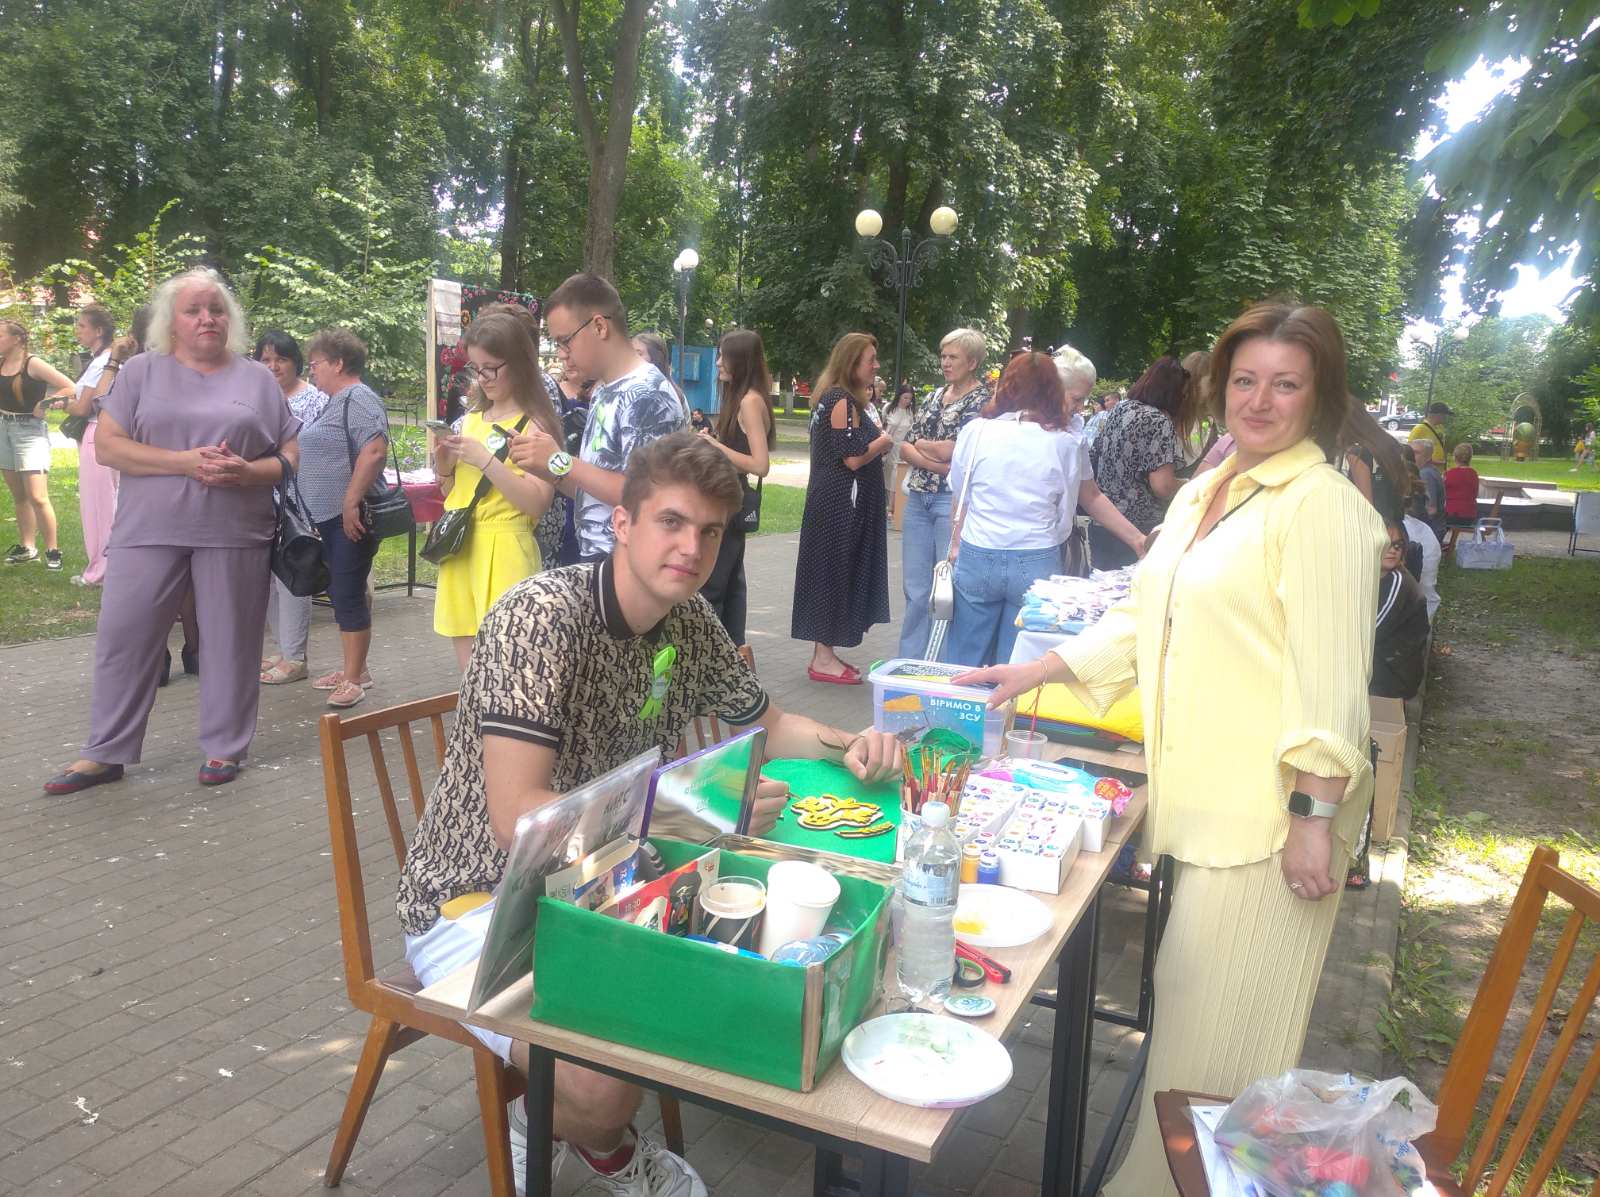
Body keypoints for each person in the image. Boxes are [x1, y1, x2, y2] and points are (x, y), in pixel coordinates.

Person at [397, 431, 903, 1197]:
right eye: (672, 521)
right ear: (623, 523)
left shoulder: (688, 619)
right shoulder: (541, 617)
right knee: (606, 1080)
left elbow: (768, 724)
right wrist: (693, 812)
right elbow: (516, 818)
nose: (691, 547)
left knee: (756, 954)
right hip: (478, 898)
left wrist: (850, 743)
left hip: (610, 880)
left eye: (710, 531)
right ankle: (586, 1136)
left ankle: (550, 1116)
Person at [955, 301, 1385, 1197]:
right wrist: (1035, 670)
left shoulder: (1324, 507)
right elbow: (1142, 616)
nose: (1259, 400)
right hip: (1209, 811)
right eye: (1245, 380)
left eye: (1286, 384)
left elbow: (1333, 682)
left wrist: (1314, 818)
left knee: (1215, 1072)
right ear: (1218, 387)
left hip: (1273, 829)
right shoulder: (1208, 489)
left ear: (1320, 396)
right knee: (1184, 1044)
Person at [43, 268, 301, 795]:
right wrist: (183, 462)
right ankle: (105, 751)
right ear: (172, 320)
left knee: (231, 641)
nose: (208, 318)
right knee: (125, 636)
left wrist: (249, 472)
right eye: (194, 310)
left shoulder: (256, 378)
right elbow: (108, 446)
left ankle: (226, 746)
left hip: (235, 529)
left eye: (217, 309)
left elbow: (290, 451)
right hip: (148, 527)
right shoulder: (141, 371)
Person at [944, 352, 1145, 668]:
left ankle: (959, 698)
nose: (1080, 406)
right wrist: (1138, 540)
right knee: (1020, 664)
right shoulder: (1066, 442)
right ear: (1054, 389)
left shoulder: (976, 431)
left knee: (964, 659)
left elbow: (961, 492)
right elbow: (1081, 500)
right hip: (1037, 553)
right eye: (1076, 398)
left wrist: (956, 542)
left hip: (979, 551)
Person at [510, 274, 686, 563]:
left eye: (565, 341)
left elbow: (648, 495)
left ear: (600, 326)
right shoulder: (605, 389)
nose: (561, 354)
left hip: (632, 564)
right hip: (600, 559)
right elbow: (593, 490)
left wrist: (561, 460)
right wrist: (547, 467)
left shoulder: (648, 394)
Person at [432, 313, 560, 669]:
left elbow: (537, 504)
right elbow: (453, 493)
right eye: (476, 368)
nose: (482, 379)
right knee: (470, 672)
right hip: (461, 549)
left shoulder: (535, 425)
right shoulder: (471, 420)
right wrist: (444, 465)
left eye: (490, 368)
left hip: (506, 549)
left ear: (518, 363)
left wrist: (487, 461)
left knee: (508, 668)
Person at [791, 332, 892, 683]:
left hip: (833, 503)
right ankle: (822, 658)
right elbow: (852, 458)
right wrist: (883, 441)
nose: (876, 365)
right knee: (833, 574)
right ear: (852, 364)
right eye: (870, 360)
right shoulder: (841, 401)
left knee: (831, 572)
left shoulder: (835, 399)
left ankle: (825, 653)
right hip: (839, 506)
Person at [302, 329, 390, 709]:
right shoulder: (337, 401)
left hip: (349, 517)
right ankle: (356, 669)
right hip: (332, 516)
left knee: (347, 591)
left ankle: (355, 679)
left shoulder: (359, 398)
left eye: (316, 364)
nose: (312, 371)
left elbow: (374, 451)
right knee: (342, 591)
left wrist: (351, 501)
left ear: (338, 363)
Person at [897, 329, 990, 659]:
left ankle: (939, 664)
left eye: (953, 357)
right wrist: (934, 457)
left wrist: (925, 450)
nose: (945, 363)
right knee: (915, 589)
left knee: (946, 588)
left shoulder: (982, 402)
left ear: (972, 362)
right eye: (943, 356)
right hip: (918, 499)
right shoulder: (934, 395)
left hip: (950, 502)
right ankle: (909, 662)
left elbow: (959, 452)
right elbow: (906, 445)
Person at [254, 330, 329, 686]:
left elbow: (318, 451)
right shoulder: (255, 397)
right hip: (259, 497)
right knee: (267, 576)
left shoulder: (315, 400)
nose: (273, 367)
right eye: (265, 360)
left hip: (299, 501)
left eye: (280, 359)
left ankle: (296, 657)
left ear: (295, 361)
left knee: (292, 574)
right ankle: (282, 648)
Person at [698, 328, 775, 645]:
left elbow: (760, 464)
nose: (718, 362)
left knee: (716, 585)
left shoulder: (749, 402)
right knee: (731, 583)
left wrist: (715, 447)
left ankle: (716, 652)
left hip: (731, 502)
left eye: (723, 356)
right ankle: (732, 652)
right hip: (730, 497)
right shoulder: (745, 399)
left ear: (740, 361)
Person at [1087, 355, 1188, 568]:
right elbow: (1162, 487)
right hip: (1139, 531)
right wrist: (1189, 484)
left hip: (1104, 522)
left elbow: (1095, 453)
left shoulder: (1119, 409)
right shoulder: (1158, 421)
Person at [0, 319, 74, 570]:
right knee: (19, 496)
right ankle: (28, 547)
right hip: (4, 429)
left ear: (17, 339)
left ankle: (53, 551)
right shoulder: (1, 363)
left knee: (37, 496)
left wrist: (45, 403)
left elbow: (70, 386)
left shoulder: (33, 363)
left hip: (29, 432)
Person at [60, 304, 118, 584]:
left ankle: (99, 571)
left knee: (99, 505)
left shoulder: (103, 362)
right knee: (107, 502)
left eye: (82, 326)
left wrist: (63, 404)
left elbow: (84, 407)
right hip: (102, 433)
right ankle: (106, 566)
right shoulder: (102, 360)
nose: (77, 331)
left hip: (96, 433)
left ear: (99, 331)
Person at [1372, 518, 1430, 701]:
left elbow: (1372, 631)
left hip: (1394, 678)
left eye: (1398, 545)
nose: (1393, 550)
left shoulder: (1398, 582)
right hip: (1385, 665)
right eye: (1386, 544)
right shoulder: (1375, 576)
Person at [632, 331, 690, 416]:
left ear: (655, 358)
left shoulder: (668, 393)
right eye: (631, 353)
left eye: (639, 354)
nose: (632, 358)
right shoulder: (626, 389)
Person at [883, 382, 916, 504]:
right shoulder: (888, 408)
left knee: (897, 474)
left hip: (902, 448)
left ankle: (894, 505)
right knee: (888, 473)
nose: (907, 401)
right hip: (888, 447)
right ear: (899, 396)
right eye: (905, 397)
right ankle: (887, 503)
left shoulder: (910, 412)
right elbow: (883, 426)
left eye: (910, 398)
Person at [1409, 438, 1445, 538]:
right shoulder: (1430, 470)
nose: (1412, 455)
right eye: (1410, 452)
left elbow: (1431, 509)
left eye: (1416, 453)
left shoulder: (1425, 474)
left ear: (1428, 457)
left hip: (1429, 531)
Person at [1443, 442, 1480, 528]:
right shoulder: (1474, 474)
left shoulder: (1450, 474)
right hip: (1470, 516)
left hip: (1453, 515)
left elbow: (1441, 492)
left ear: (1455, 457)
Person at [1408, 400, 1451, 466]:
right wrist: (1433, 462)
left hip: (1439, 469)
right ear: (1438, 415)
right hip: (1426, 469)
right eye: (1445, 415)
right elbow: (1410, 451)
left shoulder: (1440, 428)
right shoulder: (1419, 429)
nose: (1446, 417)